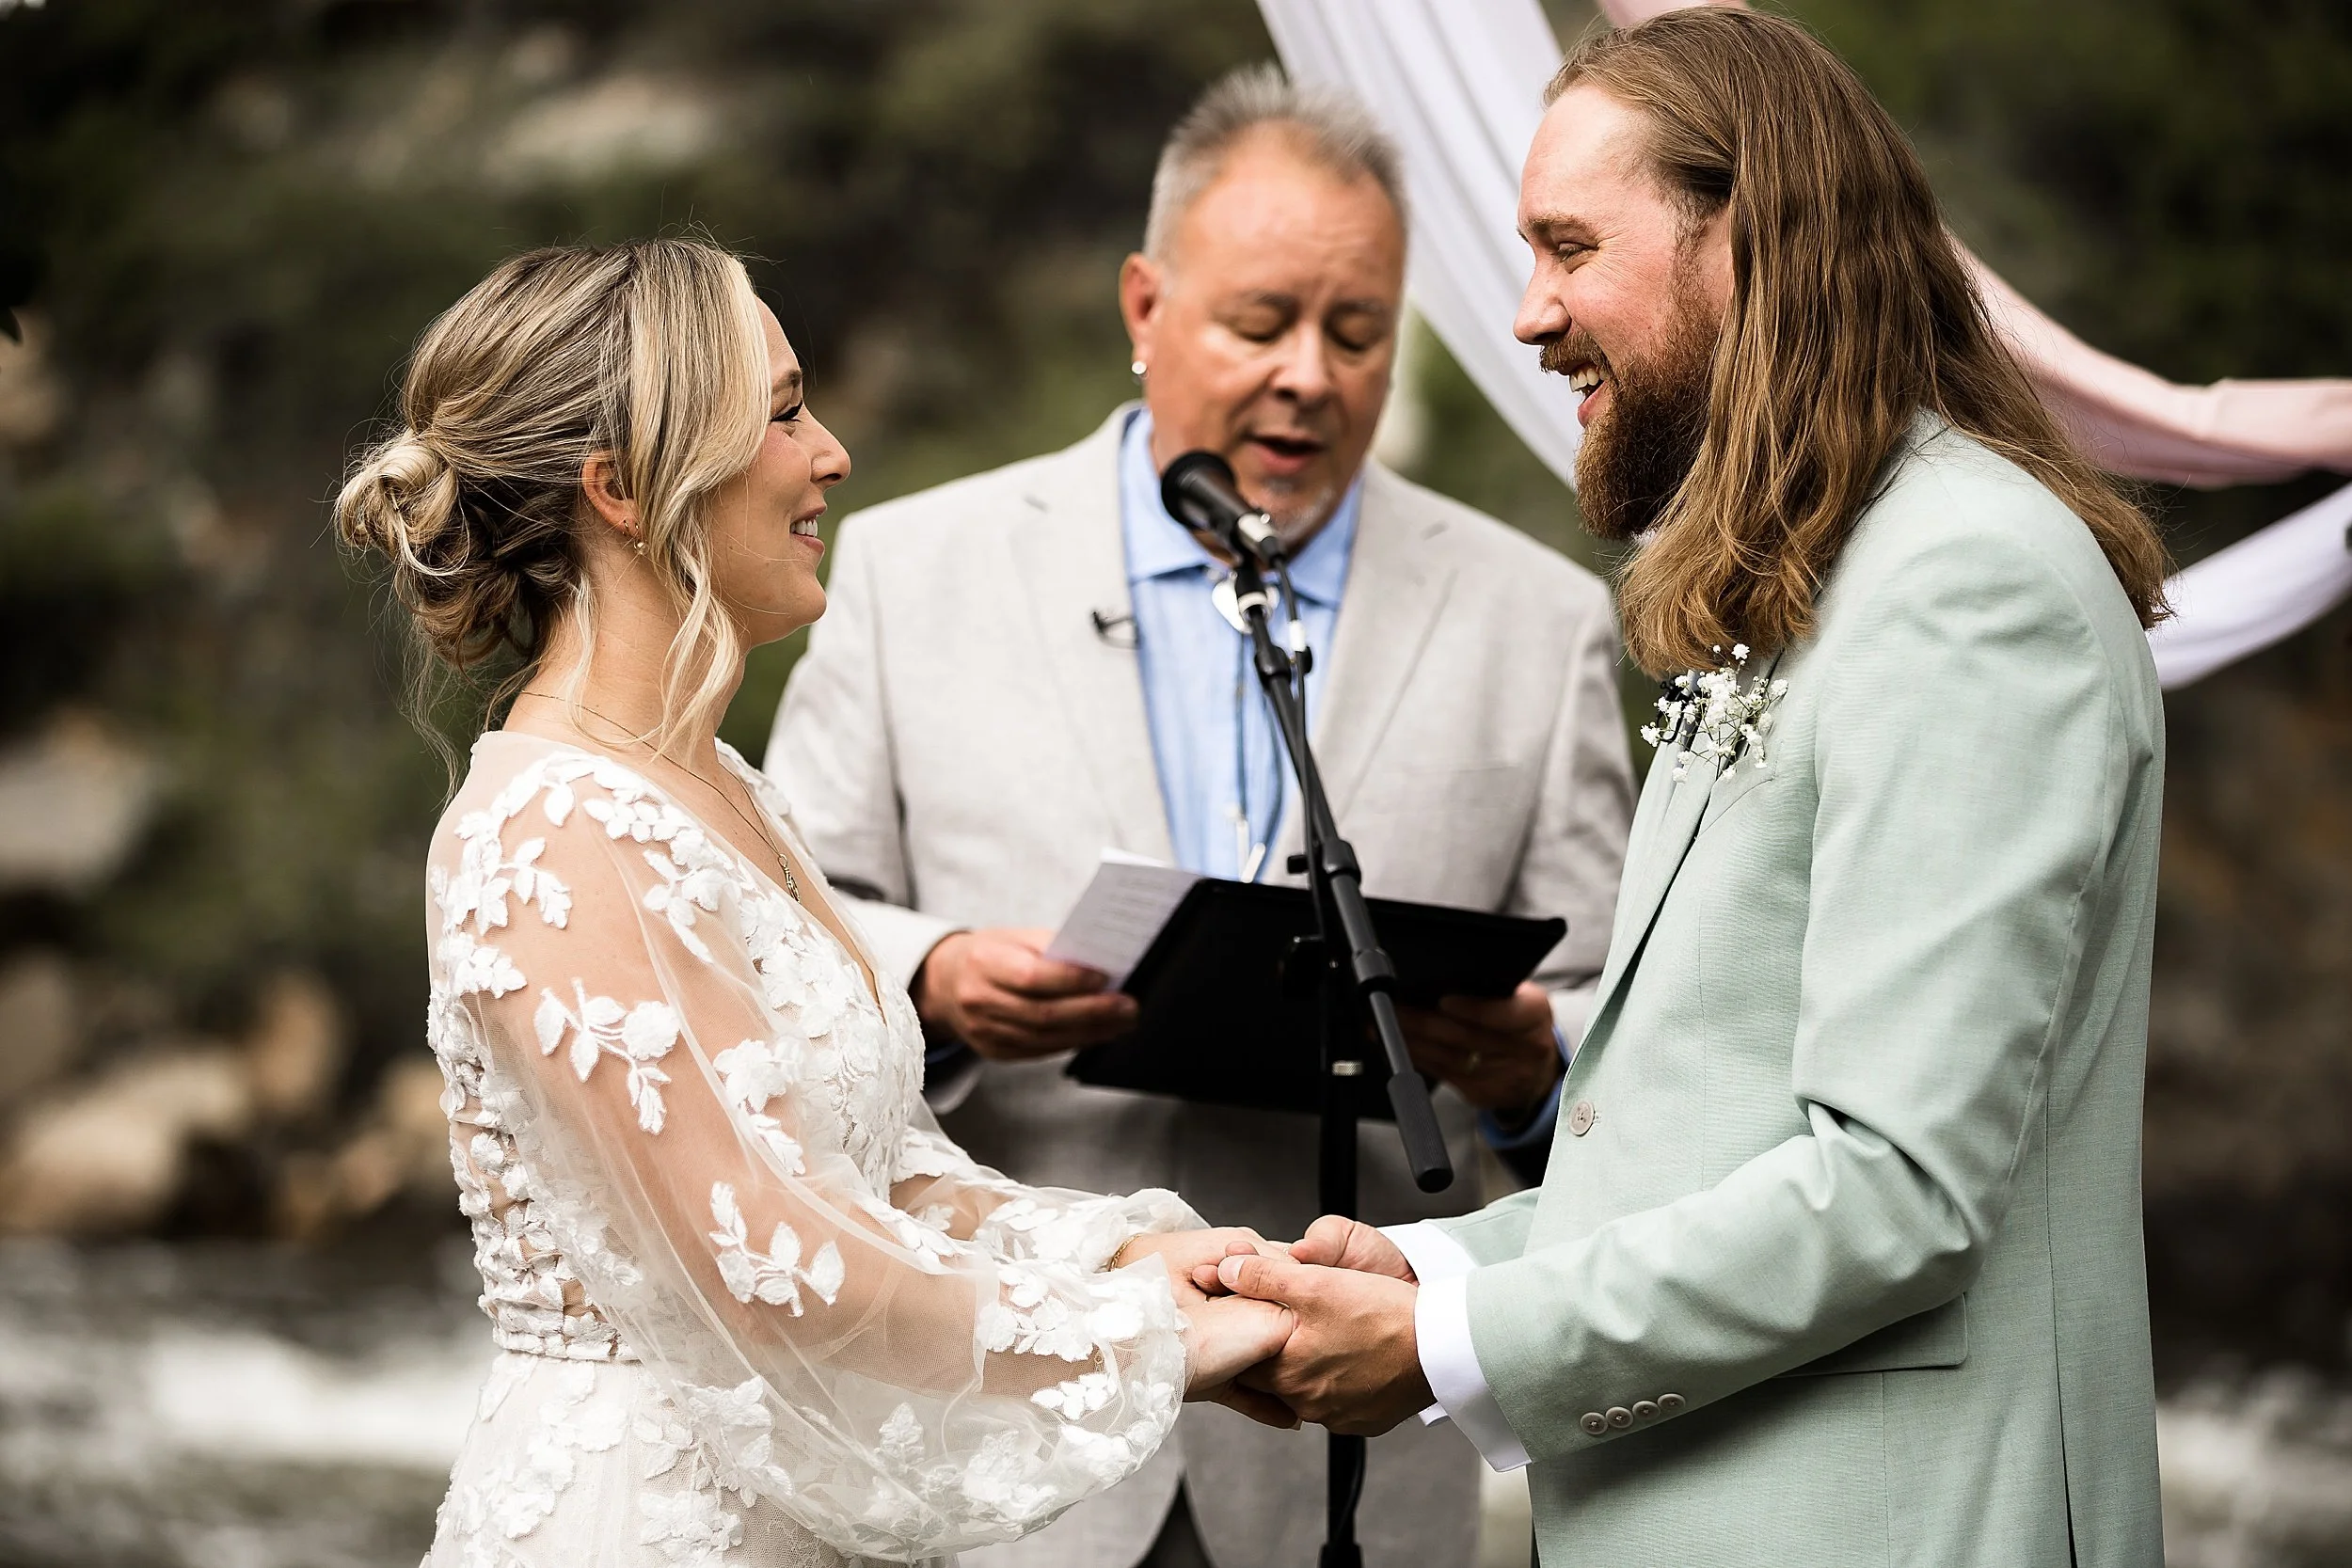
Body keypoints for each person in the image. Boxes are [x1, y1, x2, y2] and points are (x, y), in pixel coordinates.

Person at [1210, 11, 2170, 1567]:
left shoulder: (1969, 586)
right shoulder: (1813, 582)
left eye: (1570, 247)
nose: (1529, 314)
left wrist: (1452, 1351)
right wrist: (1431, 1277)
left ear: (1750, 241)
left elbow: (1895, 1189)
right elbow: (1696, 1142)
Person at [767, 67, 1635, 1568]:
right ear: (1145, 305)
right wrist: (936, 980)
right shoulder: (910, 573)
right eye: (1260, 323)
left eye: (1356, 333)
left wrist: (1529, 1071)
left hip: (1349, 1460)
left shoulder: (1538, 620)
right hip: (992, 1446)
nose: (1309, 375)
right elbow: (779, 935)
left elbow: (1630, 1032)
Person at [335, 238, 1297, 1568]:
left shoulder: (722, 786)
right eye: (783, 413)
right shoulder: (553, 827)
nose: (831, 455)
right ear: (620, 486)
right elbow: (768, 1257)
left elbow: (878, 1176)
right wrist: (1145, 1341)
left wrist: (1127, 1256)